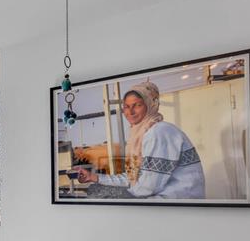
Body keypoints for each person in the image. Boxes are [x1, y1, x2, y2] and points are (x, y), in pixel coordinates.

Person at [76, 81, 205, 199]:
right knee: (96, 189)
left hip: (178, 202)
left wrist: (123, 198)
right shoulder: (140, 134)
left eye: (137, 105)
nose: (130, 112)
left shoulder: (159, 132)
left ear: (150, 105)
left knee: (99, 193)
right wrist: (94, 177)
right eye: (126, 106)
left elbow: (150, 186)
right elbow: (133, 178)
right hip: (160, 197)